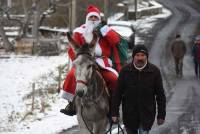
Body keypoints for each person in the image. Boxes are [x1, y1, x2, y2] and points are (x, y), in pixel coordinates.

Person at [60, 5, 127, 116]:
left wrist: (105, 30)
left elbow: (115, 41)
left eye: (95, 18)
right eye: (91, 17)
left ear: (99, 19)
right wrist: (78, 61)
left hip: (102, 63)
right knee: (72, 75)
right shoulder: (78, 32)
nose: (93, 20)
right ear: (87, 19)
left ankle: (113, 107)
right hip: (83, 62)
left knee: (114, 79)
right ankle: (71, 103)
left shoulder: (105, 31)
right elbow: (72, 50)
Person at [111, 45, 166, 134]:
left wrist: (161, 115)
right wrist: (114, 113)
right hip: (129, 115)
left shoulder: (154, 71)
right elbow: (117, 94)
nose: (140, 58)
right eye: (137, 55)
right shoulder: (125, 71)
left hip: (147, 114)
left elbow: (160, 95)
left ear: (147, 57)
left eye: (142, 55)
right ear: (133, 57)